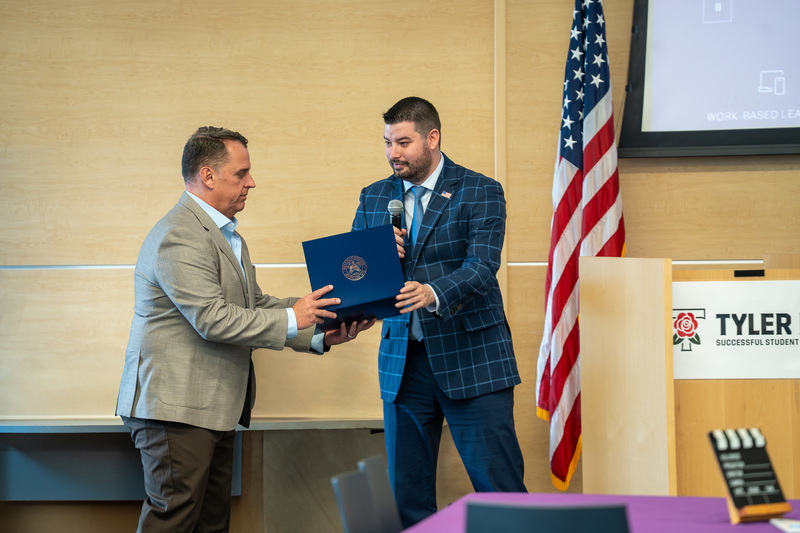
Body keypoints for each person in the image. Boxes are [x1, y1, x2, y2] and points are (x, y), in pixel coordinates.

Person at [116, 126, 374, 532]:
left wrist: (322, 324)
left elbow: (254, 307)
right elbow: (212, 318)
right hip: (176, 410)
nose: (251, 182)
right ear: (208, 175)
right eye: (241, 174)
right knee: (174, 520)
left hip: (213, 411)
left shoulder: (227, 236)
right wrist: (296, 317)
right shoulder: (179, 235)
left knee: (212, 523)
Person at [351, 97, 527, 527]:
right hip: (402, 366)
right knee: (406, 499)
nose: (394, 153)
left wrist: (432, 292)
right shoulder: (375, 196)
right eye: (388, 142)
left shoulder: (480, 190)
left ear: (433, 138)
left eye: (404, 142)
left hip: (474, 362)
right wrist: (375, 260)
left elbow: (483, 268)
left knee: (500, 490)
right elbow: (356, 273)